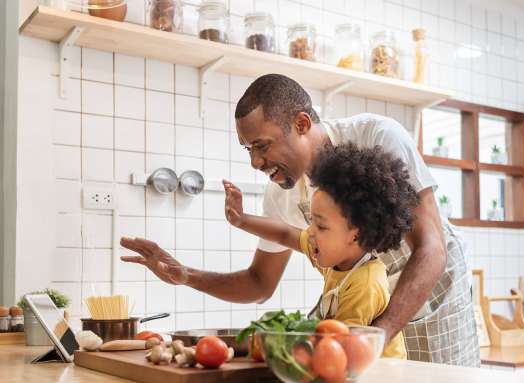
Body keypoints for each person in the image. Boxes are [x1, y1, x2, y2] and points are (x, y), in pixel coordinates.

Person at [121, 74, 480, 366]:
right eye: (248, 150)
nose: (255, 163)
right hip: (365, 316)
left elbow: (431, 246)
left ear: (302, 123)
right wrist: (185, 275)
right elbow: (260, 282)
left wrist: (381, 333)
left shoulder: (377, 137)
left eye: (262, 145)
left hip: (432, 297)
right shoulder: (281, 192)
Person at [224, 143, 419, 359]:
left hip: (381, 378)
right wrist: (242, 220)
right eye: (312, 222)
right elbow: (284, 234)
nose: (311, 232)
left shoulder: (366, 283)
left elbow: (340, 348)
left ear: (354, 235)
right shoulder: (335, 254)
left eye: (321, 226)